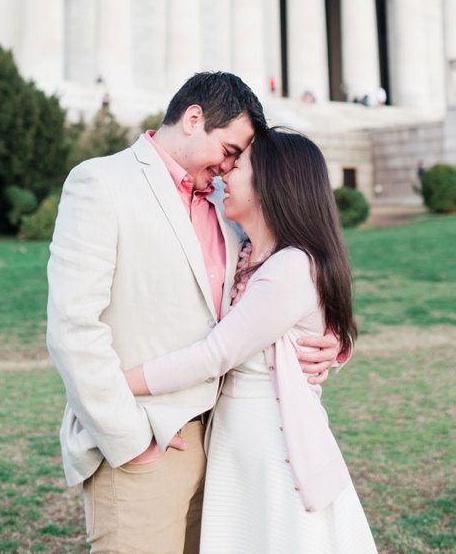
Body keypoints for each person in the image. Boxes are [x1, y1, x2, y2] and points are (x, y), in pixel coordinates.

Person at [47, 72, 343, 554]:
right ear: (192, 119)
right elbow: (73, 329)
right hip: (146, 446)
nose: (229, 168)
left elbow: (284, 285)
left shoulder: (231, 211)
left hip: (225, 445)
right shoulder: (101, 182)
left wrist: (333, 342)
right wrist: (130, 440)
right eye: (229, 150)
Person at [122, 128, 377, 553]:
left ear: (270, 185)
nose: (224, 175)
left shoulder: (291, 266)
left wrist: (116, 383)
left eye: (236, 166)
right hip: (239, 441)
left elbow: (216, 354)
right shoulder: (247, 252)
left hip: (272, 451)